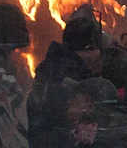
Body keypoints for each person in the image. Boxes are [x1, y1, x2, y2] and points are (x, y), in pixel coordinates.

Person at [28, 11, 105, 146]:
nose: (100, 55)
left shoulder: (56, 67)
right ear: (87, 49)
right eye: (97, 48)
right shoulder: (65, 76)